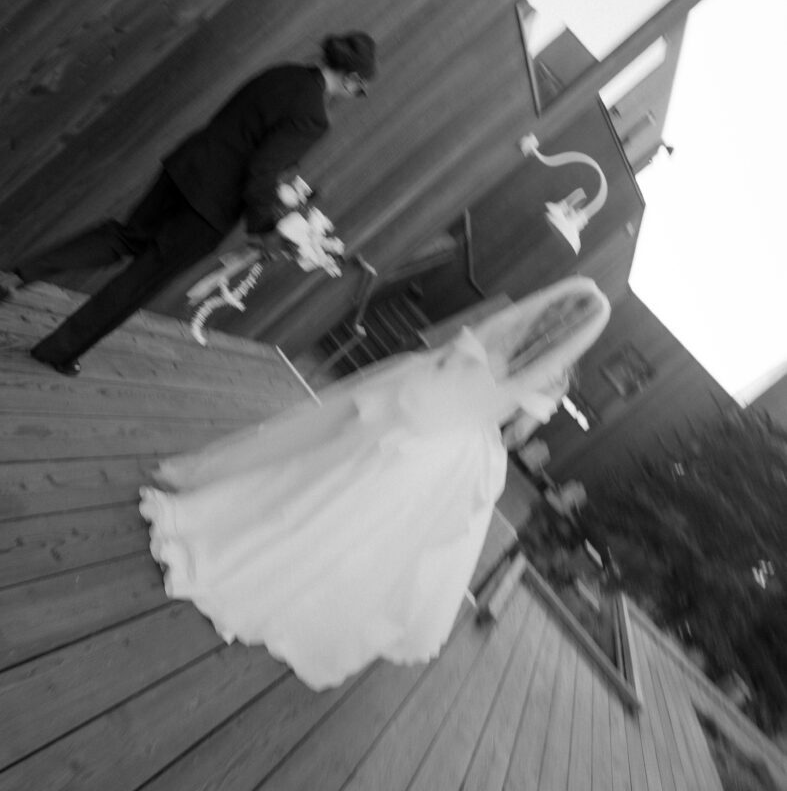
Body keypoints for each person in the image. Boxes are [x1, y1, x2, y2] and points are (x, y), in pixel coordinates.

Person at [139, 275, 610, 691]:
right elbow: (512, 435)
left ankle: (253, 534)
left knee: (326, 480)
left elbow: (445, 357)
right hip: (452, 451)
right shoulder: (555, 378)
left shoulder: (510, 328)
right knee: (373, 525)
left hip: (415, 413)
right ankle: (306, 582)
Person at [2, 32, 377, 375]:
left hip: (185, 168)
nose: (354, 95)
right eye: (360, 90)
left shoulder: (282, 73)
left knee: (124, 237)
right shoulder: (313, 117)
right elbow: (261, 170)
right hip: (210, 207)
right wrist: (266, 229)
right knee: (141, 280)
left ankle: (20, 274)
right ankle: (58, 351)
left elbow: (235, 127)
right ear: (352, 79)